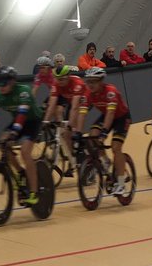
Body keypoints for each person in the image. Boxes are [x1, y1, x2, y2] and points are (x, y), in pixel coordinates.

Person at [0, 66, 44, 207]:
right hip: (18, 120)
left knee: (25, 152)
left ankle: (34, 192)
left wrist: (14, 133)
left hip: (32, 121)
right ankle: (20, 172)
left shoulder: (24, 91)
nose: (1, 87)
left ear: (12, 82)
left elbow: (23, 115)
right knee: (2, 144)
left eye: (3, 83)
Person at [80, 66, 133, 196]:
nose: (90, 84)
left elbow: (110, 113)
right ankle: (105, 160)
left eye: (94, 81)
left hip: (121, 118)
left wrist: (104, 132)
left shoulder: (110, 91)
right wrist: (77, 131)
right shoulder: (88, 93)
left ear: (101, 81)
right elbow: (81, 113)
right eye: (88, 81)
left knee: (116, 148)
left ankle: (121, 184)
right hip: (107, 116)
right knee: (92, 136)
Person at [43, 64, 87, 177]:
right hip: (70, 100)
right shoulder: (56, 84)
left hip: (83, 101)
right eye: (58, 79)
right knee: (65, 134)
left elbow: (75, 108)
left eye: (62, 79)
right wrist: (45, 121)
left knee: (72, 130)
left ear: (68, 76)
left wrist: (71, 126)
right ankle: (73, 159)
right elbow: (52, 104)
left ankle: (81, 154)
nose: (60, 81)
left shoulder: (77, 84)